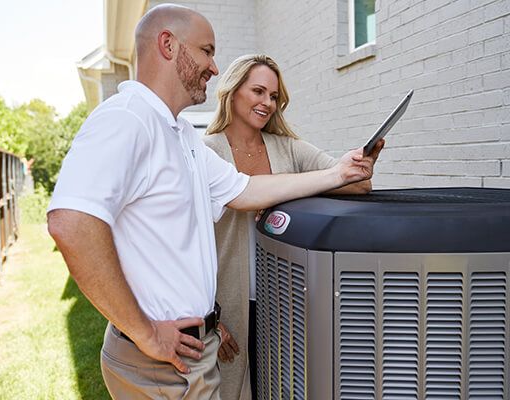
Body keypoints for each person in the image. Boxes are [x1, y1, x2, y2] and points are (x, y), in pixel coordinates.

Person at [47, 5, 380, 399]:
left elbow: (245, 191)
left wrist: (338, 174)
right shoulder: (127, 120)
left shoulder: (180, 135)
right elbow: (71, 223)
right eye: (206, 51)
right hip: (160, 361)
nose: (214, 66)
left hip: (188, 355)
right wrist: (145, 332)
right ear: (168, 45)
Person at [203, 54, 383, 400]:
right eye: (258, 91)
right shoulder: (206, 152)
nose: (267, 103)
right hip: (228, 303)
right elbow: (188, 242)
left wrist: (359, 167)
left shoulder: (287, 148)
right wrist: (208, 317)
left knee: (281, 386)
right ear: (233, 91)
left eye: (274, 97)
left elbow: (355, 184)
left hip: (283, 301)